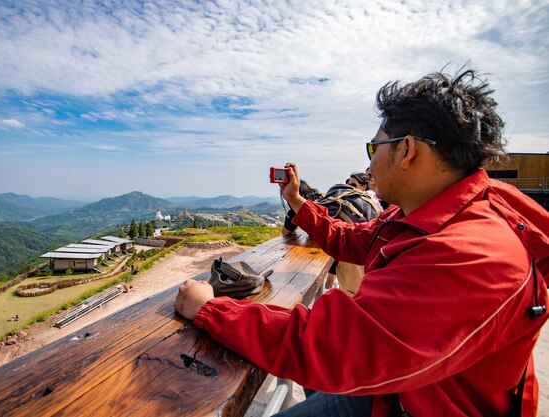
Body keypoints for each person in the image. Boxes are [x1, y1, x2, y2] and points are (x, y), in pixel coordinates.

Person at [175, 69, 549, 416]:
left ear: (407, 151)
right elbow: (356, 241)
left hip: (416, 402)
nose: (369, 165)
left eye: (374, 148)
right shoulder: (427, 214)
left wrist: (210, 310)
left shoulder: (470, 253)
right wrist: (298, 202)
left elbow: (335, 347)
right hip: (407, 383)